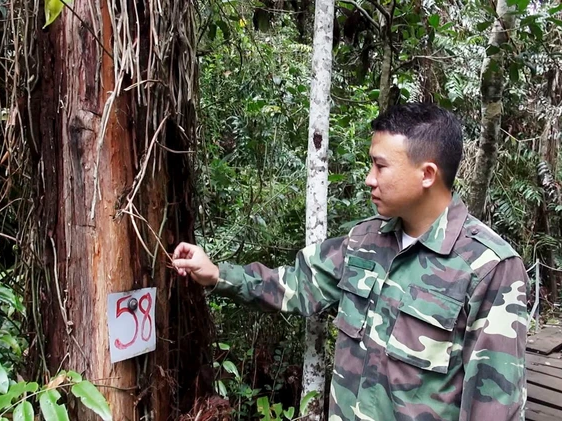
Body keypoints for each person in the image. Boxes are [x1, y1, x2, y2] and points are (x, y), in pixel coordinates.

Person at [172, 103, 528, 421]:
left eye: (380, 165)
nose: (369, 178)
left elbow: (494, 405)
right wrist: (218, 274)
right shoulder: (365, 241)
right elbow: (296, 283)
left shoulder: (489, 268)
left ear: (427, 174)